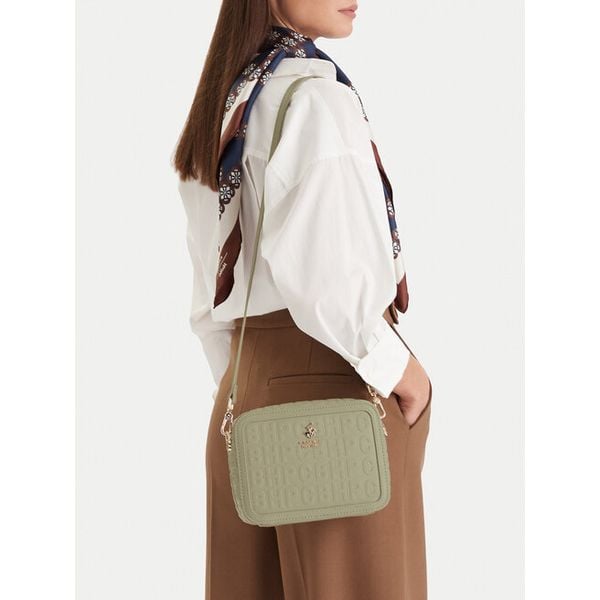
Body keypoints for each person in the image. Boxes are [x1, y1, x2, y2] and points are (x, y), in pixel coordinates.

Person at [173, 1, 433, 598]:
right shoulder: (315, 100)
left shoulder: (227, 102)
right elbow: (327, 284)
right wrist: (404, 374)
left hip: (243, 395)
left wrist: (249, 379)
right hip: (338, 396)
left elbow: (208, 282)